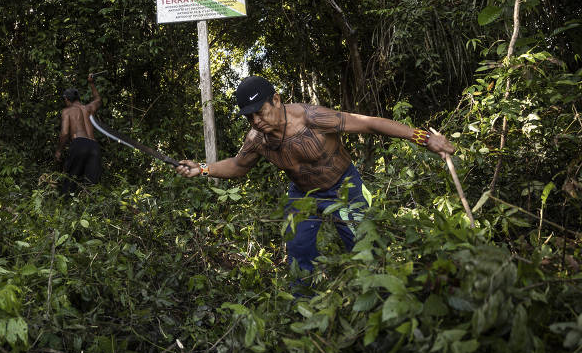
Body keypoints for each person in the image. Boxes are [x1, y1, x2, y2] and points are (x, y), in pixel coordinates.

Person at [175, 75, 455, 275]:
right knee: (298, 249)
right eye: (250, 117)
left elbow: (370, 124)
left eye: (260, 112)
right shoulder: (257, 138)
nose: (256, 121)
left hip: (343, 186)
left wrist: (423, 137)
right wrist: (202, 168)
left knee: (365, 250)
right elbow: (238, 166)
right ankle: (305, 305)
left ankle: (377, 299)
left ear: (276, 99)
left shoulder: (312, 118)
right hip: (302, 194)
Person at [55, 74, 102, 195]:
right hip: (94, 146)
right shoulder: (89, 108)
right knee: (91, 187)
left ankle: (65, 207)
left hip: (79, 144)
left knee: (70, 181)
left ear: (66, 99)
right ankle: (91, 210)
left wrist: (59, 150)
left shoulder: (67, 111)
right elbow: (98, 100)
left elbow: (64, 133)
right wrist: (92, 84)